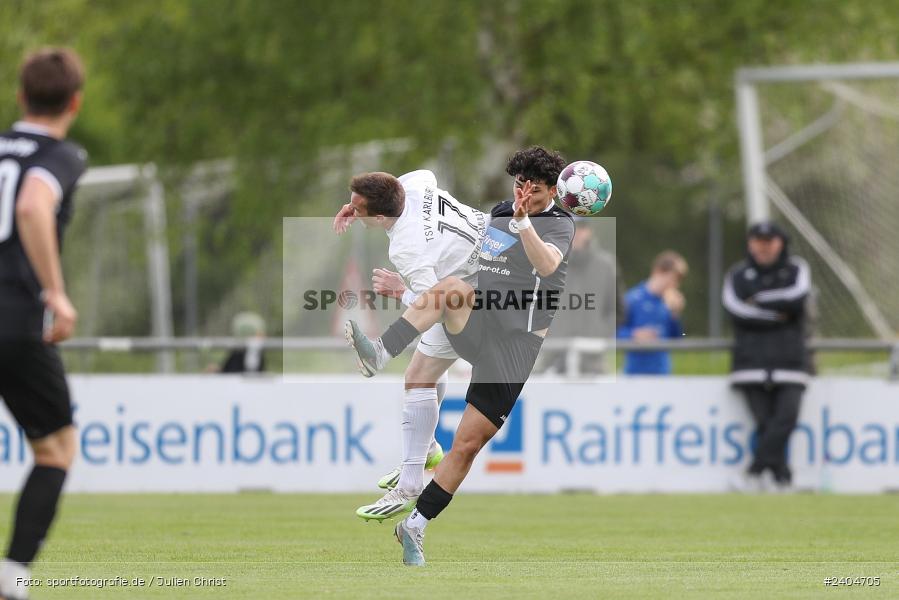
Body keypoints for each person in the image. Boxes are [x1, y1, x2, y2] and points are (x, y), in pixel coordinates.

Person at [345, 146, 573, 566]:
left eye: (535, 188)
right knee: (452, 287)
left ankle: (414, 526)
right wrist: (366, 212)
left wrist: (524, 225)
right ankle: (380, 353)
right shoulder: (503, 211)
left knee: (466, 445)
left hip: (515, 347)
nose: (524, 194)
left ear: (553, 191)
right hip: (480, 320)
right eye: (520, 184)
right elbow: (470, 254)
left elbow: (546, 265)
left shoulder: (559, 224)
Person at [333, 169, 487, 521]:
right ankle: (424, 456)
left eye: (360, 210)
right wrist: (355, 205)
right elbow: (426, 173)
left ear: (382, 217)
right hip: (494, 253)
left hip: (481, 294)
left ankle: (412, 481)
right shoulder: (414, 185)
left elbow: (432, 303)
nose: (353, 212)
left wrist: (399, 290)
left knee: (418, 376)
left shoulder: (407, 248)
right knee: (421, 375)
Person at [0, 48, 88, 600]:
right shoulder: (60, 155)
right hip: (12, 317)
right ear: (74, 102)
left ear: (19, 96)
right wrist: (55, 292)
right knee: (55, 450)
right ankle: (12, 580)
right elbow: (32, 205)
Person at [722, 221, 811, 492]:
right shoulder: (737, 274)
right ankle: (782, 478)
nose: (763, 246)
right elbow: (735, 310)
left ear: (781, 243)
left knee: (785, 419)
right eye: (757, 240)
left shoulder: (797, 269)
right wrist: (778, 314)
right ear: (750, 243)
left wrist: (758, 301)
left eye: (769, 241)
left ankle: (754, 472)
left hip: (790, 362)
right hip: (751, 362)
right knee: (765, 423)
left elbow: (797, 299)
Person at [538, 217, 623, 375]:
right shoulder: (548, 263)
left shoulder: (607, 265)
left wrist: (599, 335)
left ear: (589, 231)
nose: (577, 233)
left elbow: (616, 310)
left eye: (581, 228)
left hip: (594, 359)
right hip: (551, 357)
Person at [616, 250, 688, 375]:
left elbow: (678, 339)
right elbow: (615, 334)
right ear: (658, 272)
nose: (675, 284)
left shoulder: (670, 303)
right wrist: (634, 335)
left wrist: (675, 315)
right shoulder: (632, 299)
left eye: (678, 280)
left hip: (662, 374)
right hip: (634, 375)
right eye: (673, 278)